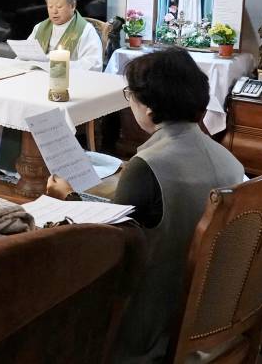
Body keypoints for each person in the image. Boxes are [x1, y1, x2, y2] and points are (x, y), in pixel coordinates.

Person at [48, 48, 244, 362]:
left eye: (130, 95)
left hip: (153, 317)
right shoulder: (230, 160)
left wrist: (69, 199)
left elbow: (110, 244)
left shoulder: (148, 165)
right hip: (212, 308)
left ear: (149, 106)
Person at [0, 0, 104, 172]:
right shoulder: (41, 27)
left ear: (73, 6)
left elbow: (93, 65)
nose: (54, 12)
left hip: (65, 88)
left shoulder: (85, 31)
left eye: (59, 6)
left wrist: (56, 64)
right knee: (5, 102)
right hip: (35, 83)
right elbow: (25, 54)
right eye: (50, 6)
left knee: (34, 107)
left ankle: (41, 167)